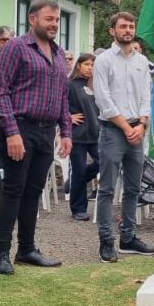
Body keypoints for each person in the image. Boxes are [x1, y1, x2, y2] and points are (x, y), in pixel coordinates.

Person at [0, 0, 72, 275]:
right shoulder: (15, 47)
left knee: (34, 192)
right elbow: (0, 93)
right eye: (49, 19)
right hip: (19, 128)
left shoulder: (59, 54)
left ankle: (26, 249)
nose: (54, 24)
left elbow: (63, 97)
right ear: (32, 19)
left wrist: (66, 133)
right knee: (13, 190)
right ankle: (1, 252)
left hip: (46, 131)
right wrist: (12, 132)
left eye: (57, 20)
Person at [94, 12, 154, 263]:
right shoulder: (104, 61)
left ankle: (128, 237)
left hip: (137, 130)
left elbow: (145, 96)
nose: (128, 30)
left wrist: (140, 125)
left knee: (133, 188)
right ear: (112, 31)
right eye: (123, 26)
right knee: (107, 188)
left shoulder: (142, 61)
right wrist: (125, 127)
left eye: (131, 26)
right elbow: (103, 98)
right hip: (112, 130)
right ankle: (106, 241)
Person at [67, 53, 99, 221]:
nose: (90, 68)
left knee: (104, 162)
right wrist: (68, 117)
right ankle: (78, 208)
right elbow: (58, 104)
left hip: (95, 135)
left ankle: (74, 184)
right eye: (87, 64)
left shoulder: (95, 86)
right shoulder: (70, 84)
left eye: (93, 65)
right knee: (78, 169)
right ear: (79, 65)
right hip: (77, 135)